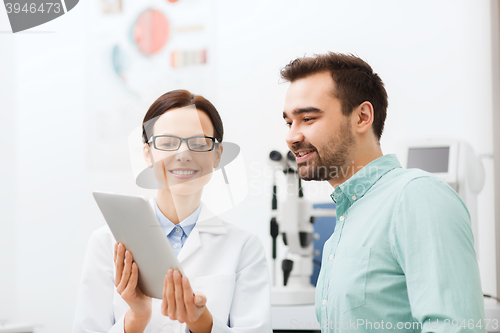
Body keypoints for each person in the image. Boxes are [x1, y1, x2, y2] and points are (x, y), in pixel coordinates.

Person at [280, 53, 485, 332]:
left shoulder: (415, 196)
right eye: (289, 122)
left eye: (308, 118)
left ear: (362, 117)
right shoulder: (343, 225)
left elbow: (455, 327)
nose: (292, 136)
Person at [73, 90, 272, 333]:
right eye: (167, 143)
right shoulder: (107, 243)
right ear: (148, 154)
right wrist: (136, 317)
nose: (184, 155)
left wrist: (202, 323)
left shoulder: (244, 248)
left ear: (217, 155)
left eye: (199, 144)